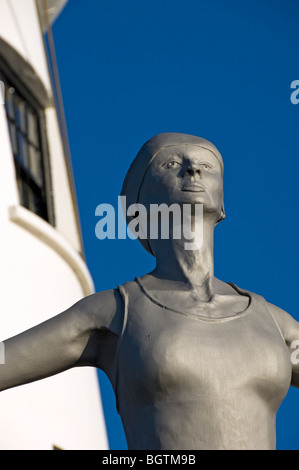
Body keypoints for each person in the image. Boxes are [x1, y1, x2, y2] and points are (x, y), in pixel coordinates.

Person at [0, 133, 298, 450]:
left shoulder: (274, 323)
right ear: (142, 204)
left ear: (222, 202)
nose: (193, 170)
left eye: (206, 165)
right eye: (172, 164)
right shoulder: (113, 313)